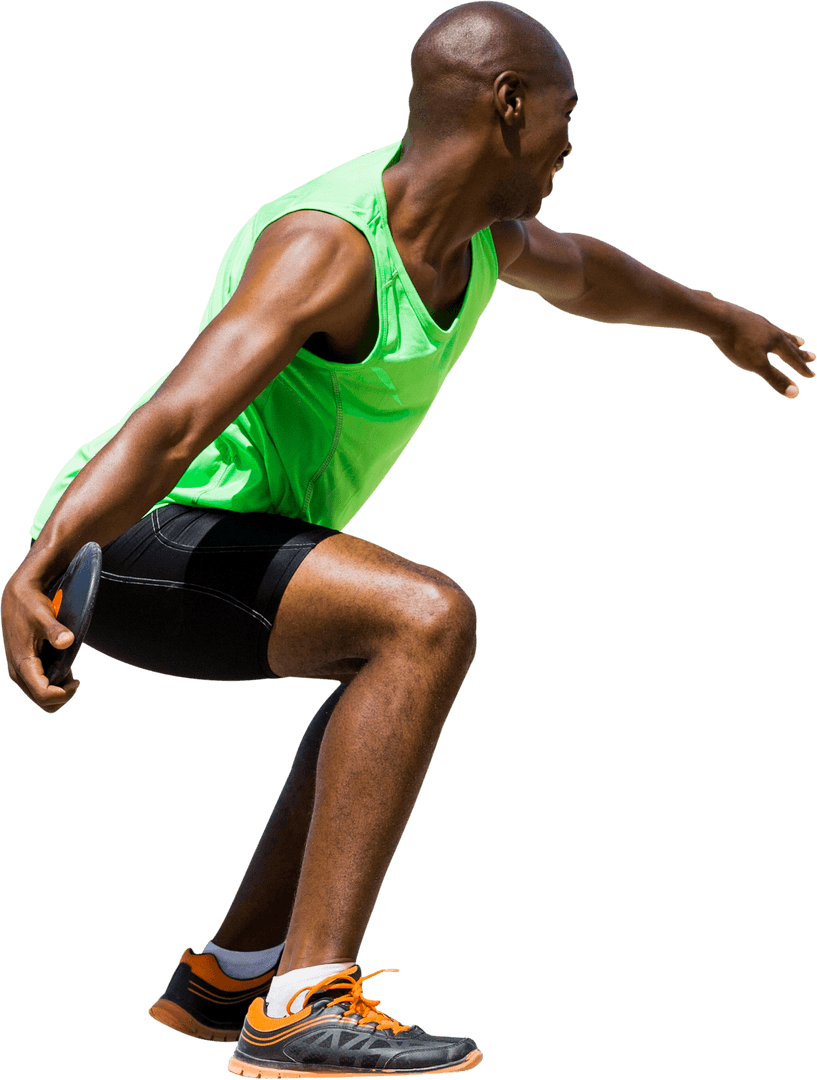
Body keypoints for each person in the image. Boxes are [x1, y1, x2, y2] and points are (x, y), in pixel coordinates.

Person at [2, 2, 814, 1077]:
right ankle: (302, 1005)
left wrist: (723, 320)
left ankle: (232, 972)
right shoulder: (327, 247)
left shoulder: (483, 243)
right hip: (138, 535)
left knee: (381, 665)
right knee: (422, 620)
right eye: (566, 112)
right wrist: (41, 563)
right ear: (507, 104)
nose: (575, 140)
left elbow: (590, 274)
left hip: (212, 535)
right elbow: (175, 422)